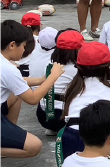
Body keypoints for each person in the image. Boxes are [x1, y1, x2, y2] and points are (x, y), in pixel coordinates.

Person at [58, 42, 110, 164]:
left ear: (78, 66)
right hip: (102, 140)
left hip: (71, 137)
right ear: (108, 65)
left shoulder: (72, 88)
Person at [2, 20, 64, 158]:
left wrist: (41, 80)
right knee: (34, 146)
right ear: (12, 45)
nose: (25, 50)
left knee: (17, 93)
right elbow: (33, 99)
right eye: (24, 46)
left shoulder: (4, 63)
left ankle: (8, 136)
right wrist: (52, 77)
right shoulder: (8, 68)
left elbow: (18, 82)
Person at [35, 30, 84, 135]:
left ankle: (54, 128)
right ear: (78, 50)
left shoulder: (50, 64)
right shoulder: (77, 69)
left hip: (43, 115)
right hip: (62, 117)